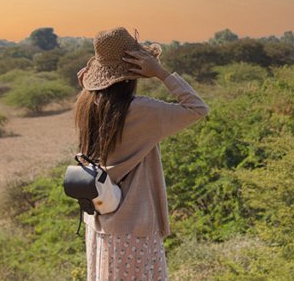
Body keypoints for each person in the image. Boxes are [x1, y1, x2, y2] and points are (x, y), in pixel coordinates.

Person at [74, 27, 209, 280]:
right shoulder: (141, 110)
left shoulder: (87, 104)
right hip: (133, 225)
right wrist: (161, 73)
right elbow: (197, 108)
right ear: (133, 72)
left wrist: (87, 88)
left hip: (99, 219)